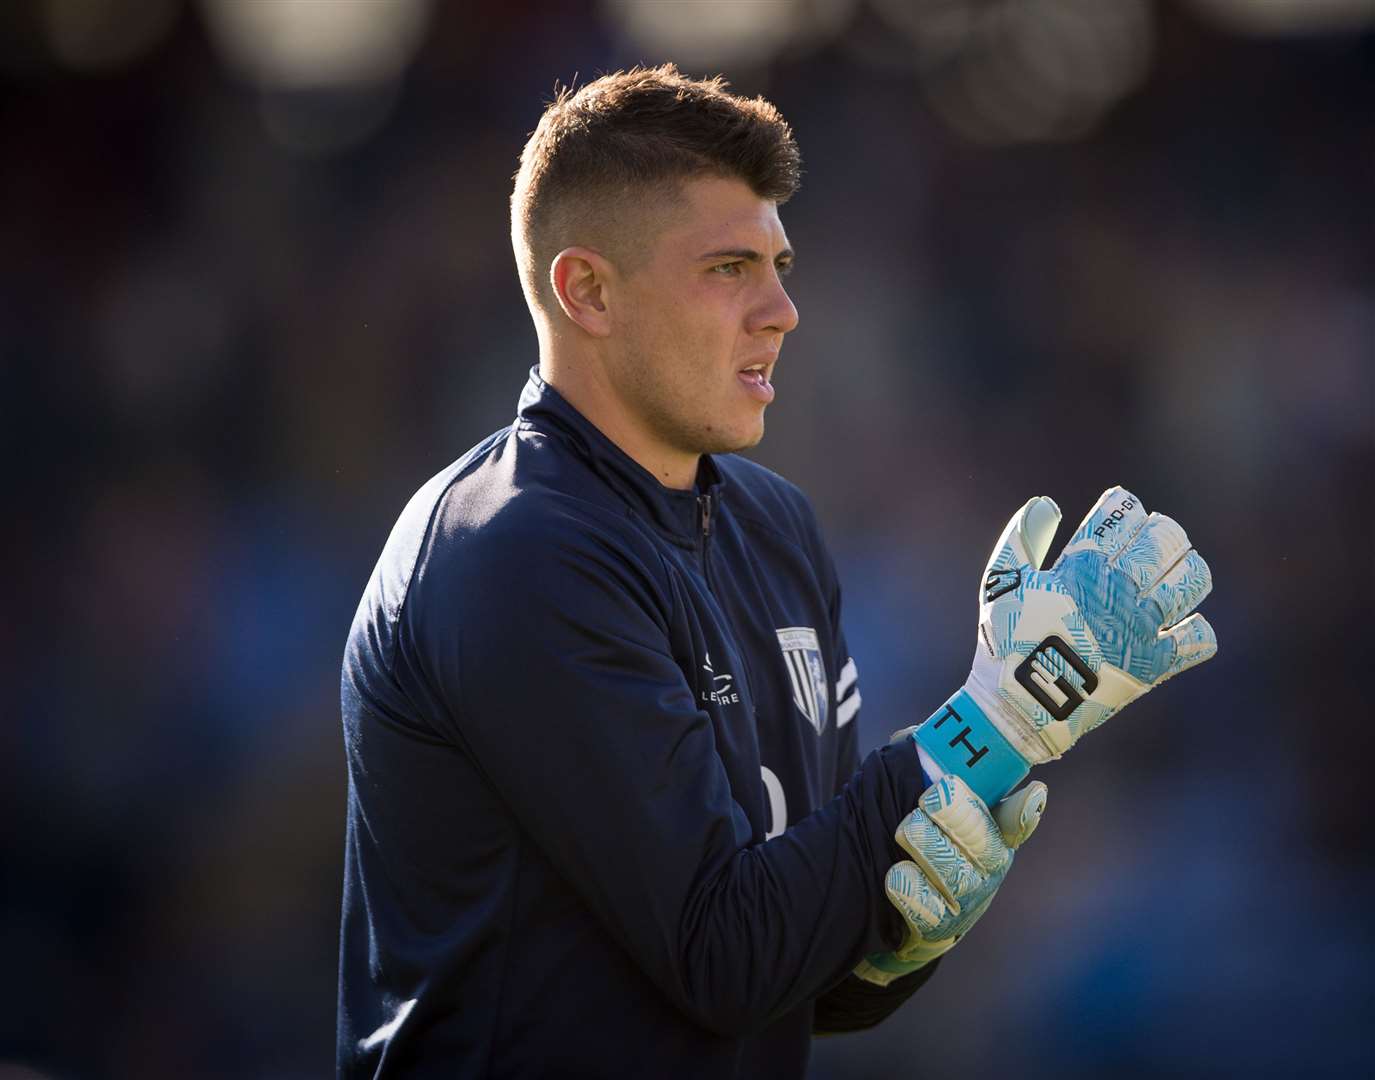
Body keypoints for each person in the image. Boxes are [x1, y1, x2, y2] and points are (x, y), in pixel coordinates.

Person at [337, 63, 1215, 1078]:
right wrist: (995, 725)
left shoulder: (775, 527)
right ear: (587, 291)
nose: (782, 310)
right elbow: (726, 954)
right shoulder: (512, 551)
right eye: (727, 269)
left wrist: (900, 937)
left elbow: (800, 970)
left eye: (780, 263)